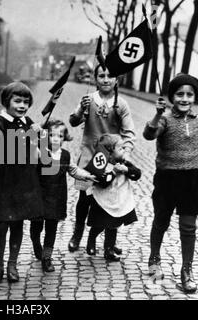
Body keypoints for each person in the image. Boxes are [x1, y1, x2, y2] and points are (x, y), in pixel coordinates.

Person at [143, 73, 198, 293]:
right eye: (179, 94)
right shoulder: (165, 118)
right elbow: (149, 134)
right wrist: (157, 115)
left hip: (191, 180)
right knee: (161, 221)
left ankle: (187, 270)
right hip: (166, 179)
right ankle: (154, 258)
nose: (184, 98)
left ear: (195, 97)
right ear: (172, 96)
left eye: (189, 94)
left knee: (189, 227)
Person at [68, 64, 136, 254]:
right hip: (89, 155)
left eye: (110, 75)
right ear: (95, 78)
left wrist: (126, 153)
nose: (106, 79)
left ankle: (109, 242)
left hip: (110, 159)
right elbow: (73, 121)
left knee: (110, 198)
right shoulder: (88, 100)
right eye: (101, 75)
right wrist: (81, 110)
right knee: (84, 199)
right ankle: (77, 235)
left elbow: (129, 132)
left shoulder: (121, 104)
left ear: (117, 80)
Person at [0, 81, 43, 285]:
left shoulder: (28, 122)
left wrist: (38, 134)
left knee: (18, 223)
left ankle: (12, 264)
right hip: (3, 180)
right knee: (1, 224)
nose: (22, 106)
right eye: (17, 101)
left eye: (26, 102)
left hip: (24, 179)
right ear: (7, 102)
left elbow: (36, 149)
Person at [30, 119, 96, 272]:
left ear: (64, 138)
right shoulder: (40, 151)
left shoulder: (65, 155)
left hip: (56, 197)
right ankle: (36, 244)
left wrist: (87, 176)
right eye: (52, 135)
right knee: (36, 227)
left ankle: (47, 257)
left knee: (51, 228)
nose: (55, 139)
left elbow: (73, 170)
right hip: (39, 196)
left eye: (60, 136)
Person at [86, 134, 141, 262]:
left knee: (113, 225)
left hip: (118, 200)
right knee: (99, 224)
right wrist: (114, 172)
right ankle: (92, 238)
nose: (123, 150)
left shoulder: (124, 162)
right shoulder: (101, 166)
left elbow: (137, 174)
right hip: (103, 200)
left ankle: (109, 249)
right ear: (109, 152)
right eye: (120, 148)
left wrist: (126, 169)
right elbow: (103, 182)